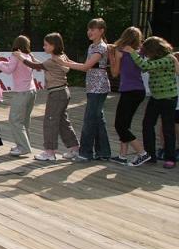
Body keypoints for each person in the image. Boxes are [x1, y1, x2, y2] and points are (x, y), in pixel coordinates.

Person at [18, 33, 80, 161]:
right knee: (63, 122)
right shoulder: (62, 57)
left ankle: (49, 152)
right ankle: (75, 148)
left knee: (50, 122)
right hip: (63, 92)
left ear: (53, 46)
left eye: (46, 45)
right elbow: (43, 65)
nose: (44, 47)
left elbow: (36, 66)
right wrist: (32, 57)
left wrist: (20, 57)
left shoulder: (52, 61)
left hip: (56, 94)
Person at [124, 36, 178, 169]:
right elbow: (144, 68)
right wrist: (138, 54)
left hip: (168, 98)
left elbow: (145, 66)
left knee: (168, 128)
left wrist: (132, 52)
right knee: (147, 124)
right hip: (155, 97)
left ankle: (170, 158)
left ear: (154, 49)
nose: (147, 54)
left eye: (147, 51)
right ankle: (151, 155)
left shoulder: (168, 59)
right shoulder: (154, 59)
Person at [63, 18, 111, 161]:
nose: (89, 32)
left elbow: (85, 67)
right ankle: (103, 152)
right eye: (88, 29)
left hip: (99, 88)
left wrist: (64, 62)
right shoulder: (92, 46)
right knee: (98, 120)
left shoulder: (100, 47)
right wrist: (67, 61)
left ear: (101, 31)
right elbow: (85, 65)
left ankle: (85, 153)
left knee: (89, 120)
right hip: (92, 87)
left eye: (93, 29)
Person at [107, 27, 150, 167]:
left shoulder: (120, 51)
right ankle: (122, 156)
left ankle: (142, 153)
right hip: (139, 91)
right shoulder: (139, 52)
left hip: (128, 91)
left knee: (120, 126)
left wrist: (111, 56)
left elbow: (114, 73)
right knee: (125, 124)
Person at [0, 35, 37, 156]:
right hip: (32, 91)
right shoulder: (28, 56)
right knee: (25, 121)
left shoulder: (16, 55)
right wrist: (1, 62)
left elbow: (8, 70)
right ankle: (24, 144)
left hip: (21, 93)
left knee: (14, 120)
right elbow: (11, 65)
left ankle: (23, 147)